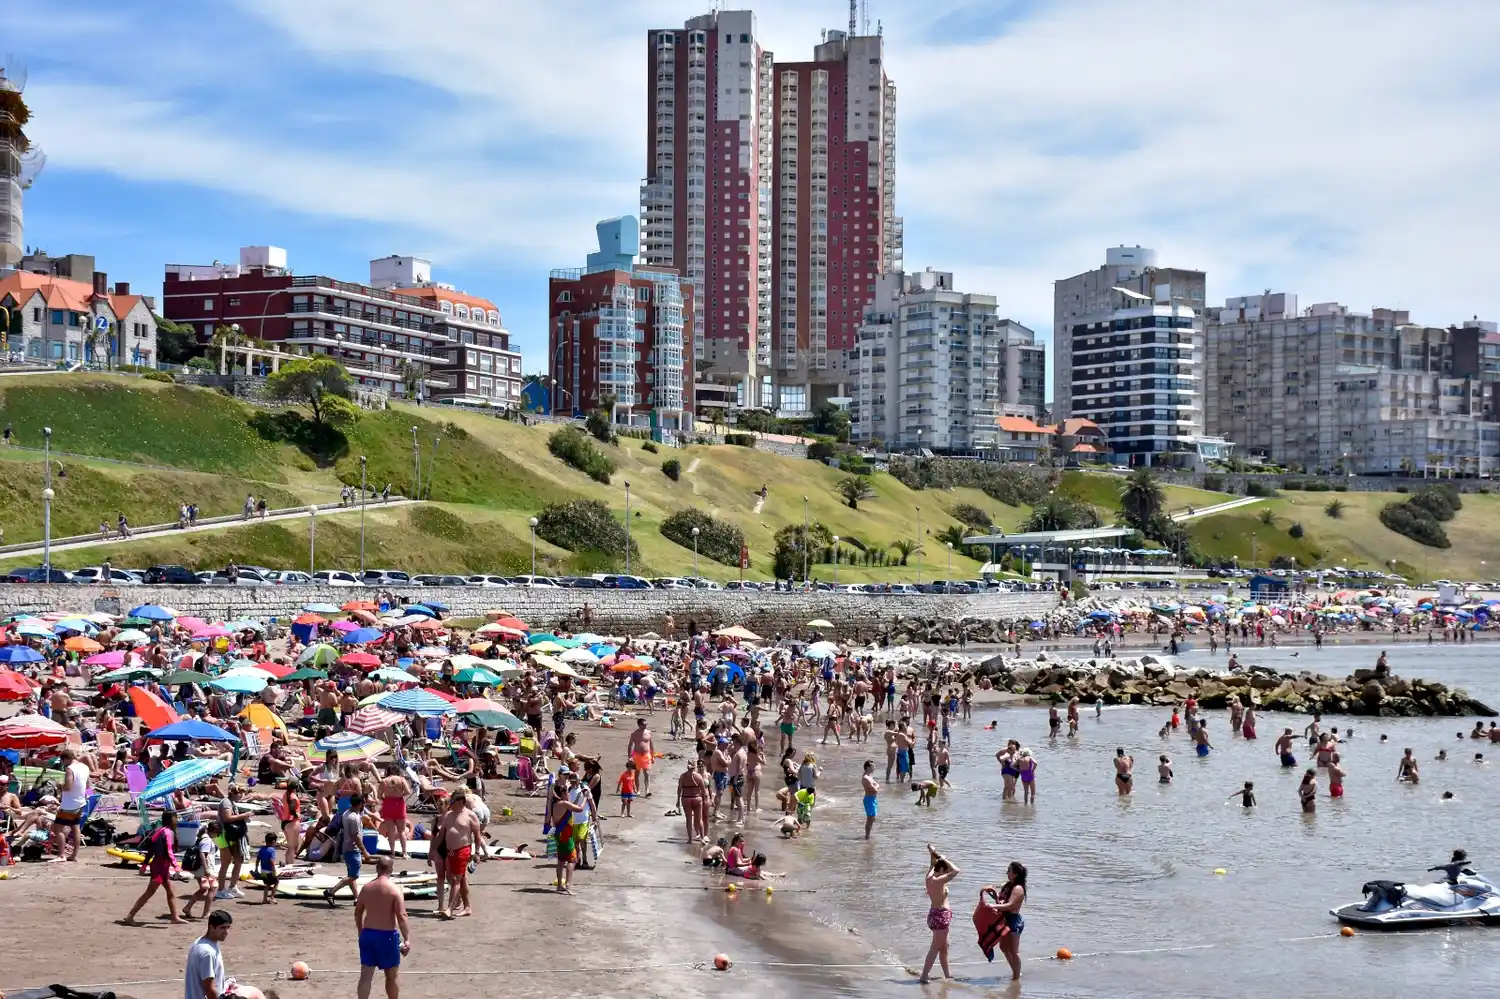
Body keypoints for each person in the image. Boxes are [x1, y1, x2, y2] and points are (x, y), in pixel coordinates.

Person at [356, 856, 412, 999]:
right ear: (391, 869)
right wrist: (407, 939)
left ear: (377, 868)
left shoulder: (366, 888)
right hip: (386, 936)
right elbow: (402, 915)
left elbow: (357, 913)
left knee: (366, 976)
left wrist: (360, 932)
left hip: (368, 935)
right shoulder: (394, 890)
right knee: (391, 976)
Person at [121, 810, 183, 925]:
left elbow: (151, 851)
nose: (177, 820)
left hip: (160, 866)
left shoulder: (159, 831)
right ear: (172, 819)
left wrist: (145, 865)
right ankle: (130, 916)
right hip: (160, 867)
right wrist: (176, 866)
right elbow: (169, 851)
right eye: (176, 817)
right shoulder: (168, 832)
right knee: (149, 893)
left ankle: (174, 917)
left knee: (171, 892)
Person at [440, 790, 487, 917]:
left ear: (460, 801)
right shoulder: (449, 815)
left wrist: (477, 852)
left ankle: (449, 908)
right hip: (450, 851)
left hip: (463, 850)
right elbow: (441, 835)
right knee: (460, 879)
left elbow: (477, 836)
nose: (450, 803)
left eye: (453, 801)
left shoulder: (470, 815)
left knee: (456, 879)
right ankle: (467, 907)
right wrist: (433, 850)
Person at [919, 844, 961, 984]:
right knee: (935, 948)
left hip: (935, 915)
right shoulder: (938, 880)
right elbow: (956, 870)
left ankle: (948, 976)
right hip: (941, 916)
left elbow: (932, 865)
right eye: (945, 870)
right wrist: (945, 859)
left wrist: (933, 852)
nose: (946, 873)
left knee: (944, 946)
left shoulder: (929, 877)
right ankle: (924, 976)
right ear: (941, 870)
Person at [981, 861, 1027, 980]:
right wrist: (993, 895)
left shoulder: (1018, 888)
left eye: (1009, 871)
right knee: (1004, 948)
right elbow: (1001, 901)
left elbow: (1010, 905)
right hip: (1004, 919)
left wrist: (992, 906)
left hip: (1013, 921)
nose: (1007, 873)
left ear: (1015, 873)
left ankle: (1016, 977)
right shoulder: (1008, 885)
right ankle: (1015, 972)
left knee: (1013, 950)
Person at [325, 793, 374, 905]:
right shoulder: (354, 818)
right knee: (354, 875)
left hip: (346, 848)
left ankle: (357, 898)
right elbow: (355, 836)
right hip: (353, 849)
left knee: (351, 874)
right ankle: (331, 891)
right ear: (361, 804)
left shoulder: (347, 813)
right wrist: (364, 851)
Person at [50, 746, 89, 862]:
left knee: (58, 829)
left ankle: (61, 855)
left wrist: (59, 785)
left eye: (63, 761)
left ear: (66, 759)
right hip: (81, 802)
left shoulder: (70, 769)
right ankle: (74, 855)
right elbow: (88, 786)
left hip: (69, 804)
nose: (63, 764)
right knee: (75, 828)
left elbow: (68, 787)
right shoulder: (85, 767)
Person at [181, 822, 222, 920]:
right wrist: (207, 869)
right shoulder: (207, 841)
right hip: (206, 869)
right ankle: (206, 913)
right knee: (213, 889)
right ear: (214, 831)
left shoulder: (202, 838)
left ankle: (188, 907)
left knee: (203, 889)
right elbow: (202, 854)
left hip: (200, 869)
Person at [626, 718, 655, 797]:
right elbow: (630, 745)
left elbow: (651, 745)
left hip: (646, 755)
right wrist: (629, 756)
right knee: (637, 774)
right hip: (637, 755)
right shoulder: (634, 733)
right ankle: (638, 789)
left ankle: (647, 790)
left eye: (646, 724)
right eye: (643, 724)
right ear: (639, 725)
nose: (645, 726)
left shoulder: (649, 732)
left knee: (647, 773)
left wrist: (653, 756)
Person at [253, 832, 279, 904]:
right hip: (269, 871)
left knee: (267, 885)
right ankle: (272, 898)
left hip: (263, 871)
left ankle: (264, 899)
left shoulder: (262, 849)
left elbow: (258, 859)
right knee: (276, 882)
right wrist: (274, 870)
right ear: (273, 841)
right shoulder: (272, 850)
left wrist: (256, 868)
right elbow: (272, 861)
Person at [861, 760, 879, 838]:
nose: (874, 768)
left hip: (873, 799)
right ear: (868, 767)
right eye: (872, 766)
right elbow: (875, 789)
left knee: (873, 818)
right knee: (870, 819)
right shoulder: (866, 778)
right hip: (869, 799)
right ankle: (867, 837)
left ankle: (868, 835)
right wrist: (876, 787)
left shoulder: (870, 776)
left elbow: (877, 785)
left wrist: (876, 786)